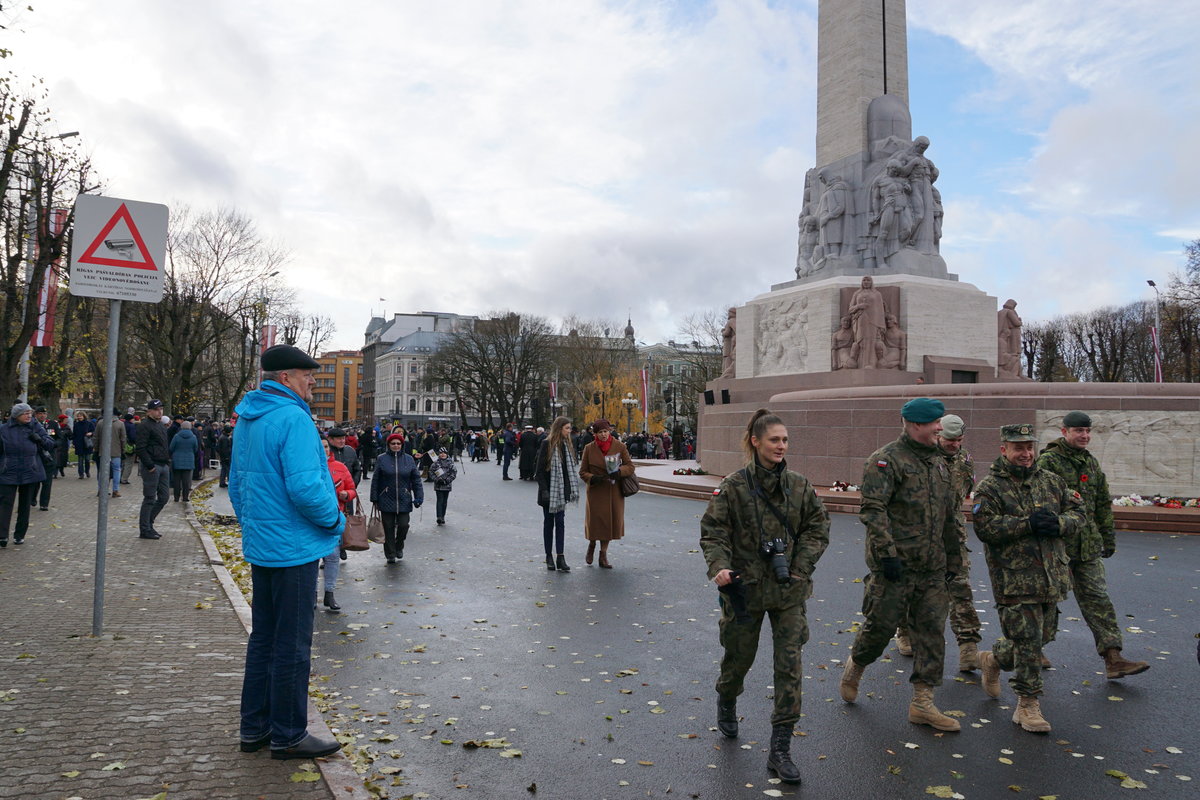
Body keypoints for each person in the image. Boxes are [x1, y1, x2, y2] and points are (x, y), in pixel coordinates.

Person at [700, 409, 829, 785]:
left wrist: (801, 565)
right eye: (774, 439)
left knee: (789, 665)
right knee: (739, 657)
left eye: (785, 440)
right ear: (756, 442)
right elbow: (713, 530)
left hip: (788, 591)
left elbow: (818, 527)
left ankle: (781, 748)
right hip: (745, 589)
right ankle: (727, 697)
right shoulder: (734, 487)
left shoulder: (799, 486)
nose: (781, 446)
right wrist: (720, 568)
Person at [230, 344, 344, 761]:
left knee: (263, 640)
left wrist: (256, 527)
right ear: (284, 378)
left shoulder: (248, 417)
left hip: (264, 546)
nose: (313, 379)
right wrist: (335, 522)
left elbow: (237, 485)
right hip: (295, 548)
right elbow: (307, 488)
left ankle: (254, 729)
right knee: (292, 645)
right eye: (306, 373)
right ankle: (289, 735)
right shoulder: (293, 417)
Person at [840, 398, 962, 732]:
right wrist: (888, 554)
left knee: (932, 633)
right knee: (879, 628)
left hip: (933, 567)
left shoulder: (939, 463)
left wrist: (953, 558)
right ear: (915, 424)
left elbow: (949, 514)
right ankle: (857, 665)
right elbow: (873, 510)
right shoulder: (885, 461)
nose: (940, 427)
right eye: (934, 422)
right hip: (896, 566)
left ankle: (923, 702)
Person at [973, 423, 1084, 733]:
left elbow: (1079, 514)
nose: (1025, 453)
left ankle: (994, 659)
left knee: (1042, 637)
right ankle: (1027, 705)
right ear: (1004, 450)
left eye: (1029, 447)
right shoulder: (990, 487)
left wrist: (1060, 523)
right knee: (1030, 642)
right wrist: (1027, 524)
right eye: (1018, 447)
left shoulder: (1052, 482)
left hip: (1051, 578)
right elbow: (986, 528)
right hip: (1015, 580)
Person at [1035, 411, 1150, 679]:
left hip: (1087, 549)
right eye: (1078, 431)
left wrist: (1107, 538)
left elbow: (1101, 503)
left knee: (1098, 600)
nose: (1084, 436)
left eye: (1087, 431)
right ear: (1064, 432)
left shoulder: (1090, 462)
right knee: (1048, 602)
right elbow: (1041, 504)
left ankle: (1113, 658)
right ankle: (1034, 650)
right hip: (1057, 548)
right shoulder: (1049, 462)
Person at [893, 414, 981, 671]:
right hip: (920, 536)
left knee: (961, 588)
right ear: (937, 435)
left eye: (959, 440)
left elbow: (962, 494)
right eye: (950, 440)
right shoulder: (920, 458)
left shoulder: (965, 460)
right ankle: (905, 631)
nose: (955, 445)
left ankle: (968, 646)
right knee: (911, 588)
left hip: (952, 534)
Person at [578, 419, 634, 569]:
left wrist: (620, 472)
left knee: (609, 524)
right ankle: (591, 544)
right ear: (595, 434)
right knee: (596, 523)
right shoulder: (589, 448)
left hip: (613, 490)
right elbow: (582, 472)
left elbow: (630, 466)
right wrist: (592, 478)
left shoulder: (619, 446)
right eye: (600, 432)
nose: (604, 434)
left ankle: (603, 554)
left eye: (606, 431)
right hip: (596, 490)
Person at [0, 403, 54, 547]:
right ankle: (2, 536)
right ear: (16, 415)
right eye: (26, 413)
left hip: (30, 471)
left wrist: (39, 439)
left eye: (30, 413)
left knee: (25, 505)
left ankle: (19, 535)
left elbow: (50, 443)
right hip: (8, 471)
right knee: (5, 505)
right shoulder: (3, 429)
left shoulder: (35, 427)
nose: (29, 416)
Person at [370, 432, 423, 564]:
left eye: (398, 443)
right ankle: (390, 553)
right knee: (388, 527)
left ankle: (399, 546)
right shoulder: (382, 458)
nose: (396, 445)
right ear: (389, 445)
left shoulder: (409, 459)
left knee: (403, 525)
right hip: (386, 498)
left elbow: (416, 480)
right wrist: (374, 498)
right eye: (393, 443)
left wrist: (419, 497)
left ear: (402, 445)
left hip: (404, 498)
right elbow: (375, 479)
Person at [535, 416, 580, 572]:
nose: (569, 431)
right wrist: (545, 490)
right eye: (567, 428)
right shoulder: (546, 444)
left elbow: (569, 471)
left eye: (569, 428)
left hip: (561, 492)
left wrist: (569, 489)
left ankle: (560, 556)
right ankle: (549, 556)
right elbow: (539, 471)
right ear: (559, 428)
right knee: (549, 523)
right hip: (548, 492)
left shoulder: (568, 445)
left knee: (560, 523)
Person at [320, 436, 356, 612]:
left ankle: (330, 593)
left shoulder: (340, 467)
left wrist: (346, 495)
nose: (325, 450)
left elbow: (352, 489)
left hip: (334, 517)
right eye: (321, 447)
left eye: (327, 446)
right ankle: (311, 595)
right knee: (312, 560)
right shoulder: (307, 467)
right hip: (311, 521)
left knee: (333, 557)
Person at [135, 400, 171, 540]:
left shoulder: (161, 425)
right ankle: (145, 529)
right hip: (153, 466)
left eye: (161, 409)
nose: (160, 412)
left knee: (164, 497)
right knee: (150, 497)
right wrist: (149, 465)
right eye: (156, 409)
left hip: (163, 465)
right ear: (149, 411)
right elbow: (141, 447)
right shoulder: (145, 426)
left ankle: (149, 523)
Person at [94, 408, 127, 498]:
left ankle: (101, 490)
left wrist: (96, 449)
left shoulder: (100, 423)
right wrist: (123, 450)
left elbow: (96, 438)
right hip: (116, 451)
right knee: (117, 470)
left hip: (103, 451)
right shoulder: (120, 424)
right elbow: (123, 439)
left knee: (102, 472)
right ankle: (115, 490)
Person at [32, 407, 60, 510]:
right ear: (36, 414)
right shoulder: (32, 425)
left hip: (49, 457)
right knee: (35, 481)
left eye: (44, 413)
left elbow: (59, 438)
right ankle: (32, 498)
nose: (42, 415)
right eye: (40, 414)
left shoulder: (52, 424)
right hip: (37, 457)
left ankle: (44, 504)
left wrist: (54, 445)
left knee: (47, 482)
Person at [169, 420, 199, 502]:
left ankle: (176, 497)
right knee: (186, 481)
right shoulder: (193, 437)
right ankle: (185, 497)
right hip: (189, 460)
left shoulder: (176, 436)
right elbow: (196, 449)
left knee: (176, 480)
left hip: (177, 460)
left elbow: (171, 447)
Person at [430, 447, 457, 525]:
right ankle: (439, 516)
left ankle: (443, 516)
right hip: (438, 485)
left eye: (444, 453)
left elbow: (454, 473)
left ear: (447, 454)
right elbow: (431, 472)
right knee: (439, 500)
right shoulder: (436, 463)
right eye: (441, 453)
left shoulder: (450, 463)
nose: (442, 454)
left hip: (447, 485)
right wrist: (436, 479)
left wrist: (448, 480)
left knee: (444, 502)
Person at [71, 410, 94, 478]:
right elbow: (74, 434)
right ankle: (81, 474)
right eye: (78, 416)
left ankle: (87, 471)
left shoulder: (89, 423)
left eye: (80, 416)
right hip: (79, 444)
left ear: (84, 416)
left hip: (87, 444)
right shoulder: (76, 425)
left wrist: (91, 433)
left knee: (87, 459)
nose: (79, 417)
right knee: (80, 460)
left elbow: (94, 431)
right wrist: (74, 442)